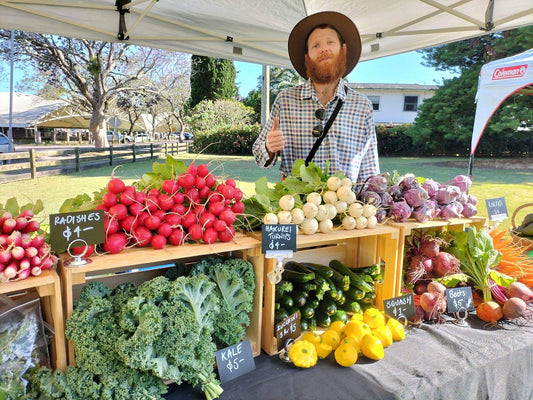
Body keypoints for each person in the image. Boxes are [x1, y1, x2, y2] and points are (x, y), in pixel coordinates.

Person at [252, 11, 380, 187]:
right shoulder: (285, 101)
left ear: (343, 50)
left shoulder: (362, 105)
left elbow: (369, 171)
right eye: (315, 45)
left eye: (330, 42)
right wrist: (269, 147)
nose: (324, 49)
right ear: (307, 58)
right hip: (296, 208)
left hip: (345, 208)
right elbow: (259, 156)